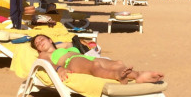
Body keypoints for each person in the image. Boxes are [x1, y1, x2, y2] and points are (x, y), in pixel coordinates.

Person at [30, 34, 163, 84]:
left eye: (41, 39)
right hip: (72, 62)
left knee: (117, 63)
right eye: (37, 44)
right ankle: (117, 75)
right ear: (38, 50)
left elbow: (70, 42)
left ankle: (138, 75)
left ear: (50, 40)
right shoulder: (44, 55)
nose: (40, 43)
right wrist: (59, 69)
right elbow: (46, 64)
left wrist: (55, 46)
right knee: (95, 67)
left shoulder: (64, 47)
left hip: (85, 57)